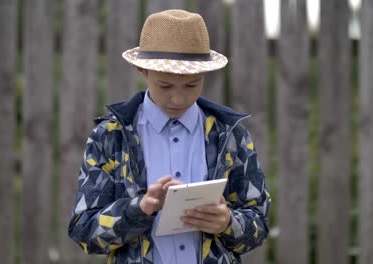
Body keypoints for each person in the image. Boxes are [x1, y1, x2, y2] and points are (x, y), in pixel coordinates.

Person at [68, 9, 271, 264]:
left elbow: (260, 224)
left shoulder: (231, 136)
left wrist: (228, 223)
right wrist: (139, 209)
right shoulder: (109, 137)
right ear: (141, 70)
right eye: (165, 85)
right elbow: (83, 230)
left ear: (205, 75)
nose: (178, 98)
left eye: (191, 84)